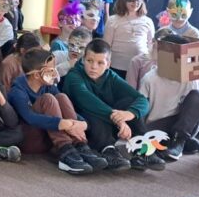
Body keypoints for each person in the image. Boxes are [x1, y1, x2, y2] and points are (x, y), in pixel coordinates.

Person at [63, 39, 165, 171]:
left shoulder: (111, 76)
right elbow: (88, 100)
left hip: (109, 123)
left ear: (108, 64)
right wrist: (118, 120)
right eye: (89, 61)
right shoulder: (74, 76)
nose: (94, 67)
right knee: (91, 111)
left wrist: (129, 114)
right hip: (84, 125)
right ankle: (108, 150)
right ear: (83, 60)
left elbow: (141, 99)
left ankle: (143, 151)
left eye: (100, 63)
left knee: (128, 103)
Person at [9, 48, 110, 174]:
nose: (54, 73)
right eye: (50, 70)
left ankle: (80, 145)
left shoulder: (47, 85)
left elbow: (65, 108)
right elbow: (30, 117)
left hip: (49, 138)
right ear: (36, 75)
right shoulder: (17, 90)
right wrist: (61, 123)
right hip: (29, 140)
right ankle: (65, 150)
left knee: (61, 97)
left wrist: (81, 123)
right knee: (48, 99)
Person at [139, 34, 199, 161]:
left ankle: (178, 142)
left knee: (197, 95)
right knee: (145, 139)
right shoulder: (150, 79)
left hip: (183, 126)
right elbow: (141, 108)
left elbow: (196, 109)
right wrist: (139, 133)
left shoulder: (190, 78)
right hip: (158, 124)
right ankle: (180, 143)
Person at [103, 0, 155, 78]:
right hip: (116, 68)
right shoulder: (113, 20)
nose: (136, 2)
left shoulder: (148, 21)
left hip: (140, 68)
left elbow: (151, 46)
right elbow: (106, 46)